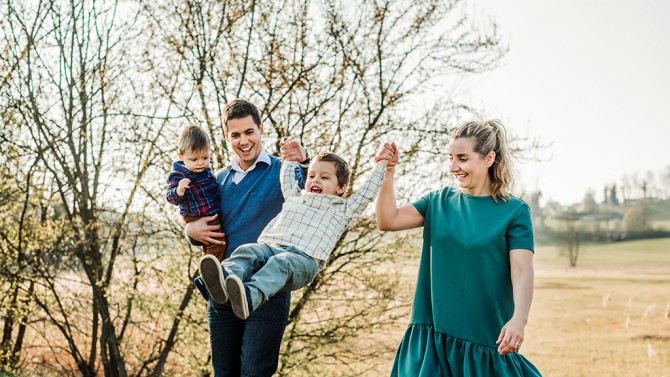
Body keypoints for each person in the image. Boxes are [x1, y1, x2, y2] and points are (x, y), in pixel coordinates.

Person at [375, 120, 542, 376]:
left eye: (462, 158)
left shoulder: (514, 211)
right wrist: (388, 172)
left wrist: (519, 319)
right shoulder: (438, 202)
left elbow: (522, 271)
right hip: (432, 338)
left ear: (489, 159)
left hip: (483, 339)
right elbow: (388, 220)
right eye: (450, 158)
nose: (454, 167)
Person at [185, 99, 310, 376]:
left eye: (249, 132)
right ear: (226, 137)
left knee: (255, 371)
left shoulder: (283, 170)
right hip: (222, 287)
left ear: (261, 129)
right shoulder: (216, 181)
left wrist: (304, 159)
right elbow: (201, 225)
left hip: (268, 287)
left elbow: (313, 188)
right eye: (236, 134)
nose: (244, 140)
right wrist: (190, 231)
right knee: (224, 371)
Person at [199, 151, 388, 320]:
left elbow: (366, 194)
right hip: (272, 247)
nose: (315, 180)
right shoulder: (295, 197)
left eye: (324, 177)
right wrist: (289, 160)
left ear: (341, 188)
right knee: (248, 250)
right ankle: (222, 278)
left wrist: (381, 165)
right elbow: (286, 179)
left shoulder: (343, 209)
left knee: (281, 263)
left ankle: (249, 297)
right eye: (312, 176)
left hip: (303, 260)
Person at [166, 125, 226, 261]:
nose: (200, 163)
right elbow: (171, 197)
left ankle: (210, 267)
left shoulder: (207, 171)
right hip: (196, 215)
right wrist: (179, 190)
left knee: (212, 243)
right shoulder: (179, 175)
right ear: (181, 157)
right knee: (218, 242)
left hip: (209, 213)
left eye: (205, 158)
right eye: (194, 159)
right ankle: (212, 271)